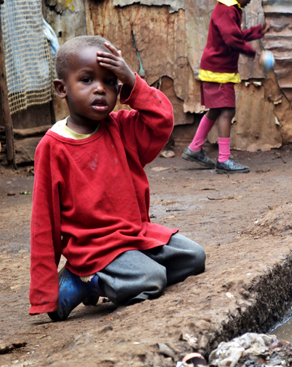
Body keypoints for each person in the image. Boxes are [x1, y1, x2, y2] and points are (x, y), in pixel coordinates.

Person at [30, 36, 206, 321]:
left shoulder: (121, 128)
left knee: (194, 257)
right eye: (86, 80)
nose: (100, 89)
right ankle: (82, 280)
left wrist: (132, 81)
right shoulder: (53, 148)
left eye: (110, 82)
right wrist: (44, 292)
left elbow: (161, 120)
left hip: (136, 235)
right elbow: (43, 222)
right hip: (94, 248)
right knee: (152, 279)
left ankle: (115, 276)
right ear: (62, 89)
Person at [181, 0, 268, 174]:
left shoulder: (230, 8)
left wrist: (255, 32)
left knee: (216, 109)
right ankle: (224, 159)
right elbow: (232, 40)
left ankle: (194, 148)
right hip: (218, 70)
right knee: (227, 111)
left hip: (217, 68)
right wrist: (254, 53)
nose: (250, 0)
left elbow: (233, 34)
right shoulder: (227, 9)